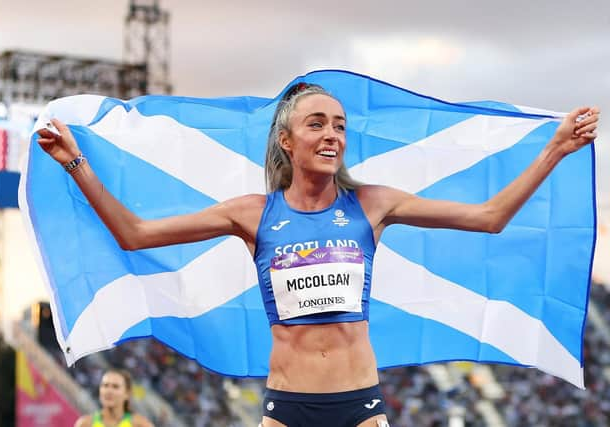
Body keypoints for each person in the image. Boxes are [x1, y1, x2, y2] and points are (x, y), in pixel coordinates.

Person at [40, 83, 599, 427]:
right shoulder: (253, 213)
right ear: (288, 141)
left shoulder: (372, 205)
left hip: (359, 406)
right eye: (317, 124)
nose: (332, 134)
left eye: (339, 125)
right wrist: (73, 161)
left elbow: (489, 217)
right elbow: (135, 233)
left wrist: (554, 148)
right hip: (286, 409)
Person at [74, 368, 153, 427]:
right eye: (105, 385)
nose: (109, 391)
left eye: (115, 387)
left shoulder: (140, 424)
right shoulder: (85, 423)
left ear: (127, 393)